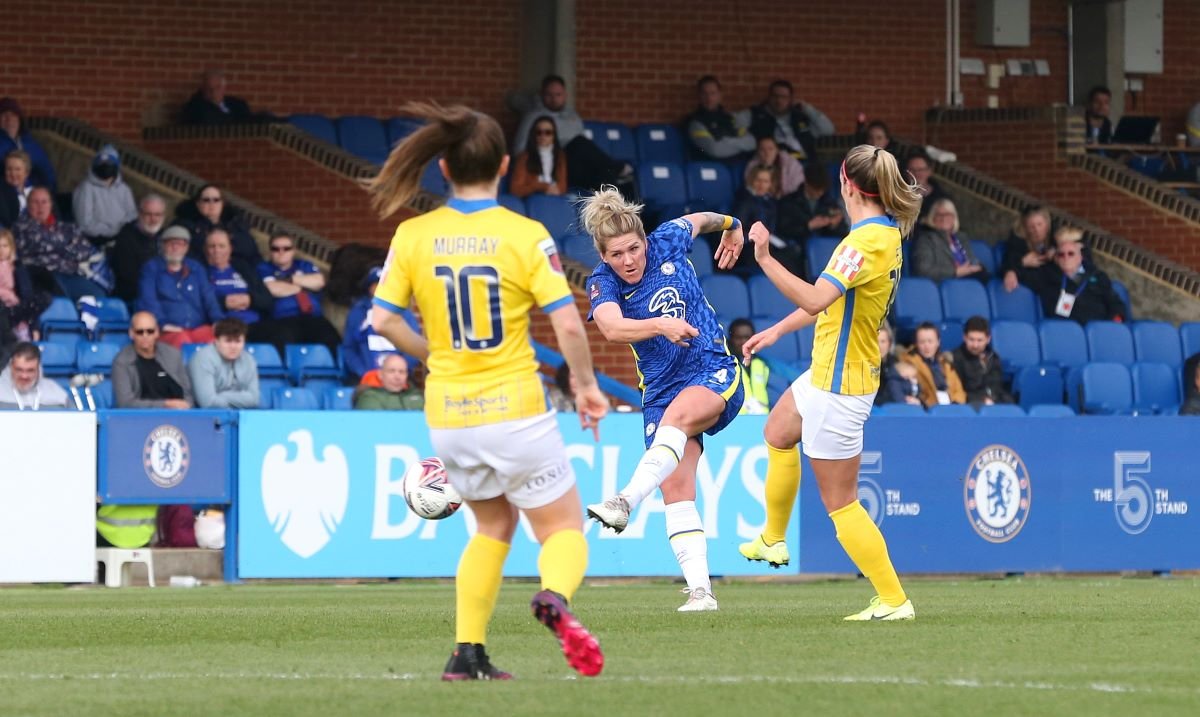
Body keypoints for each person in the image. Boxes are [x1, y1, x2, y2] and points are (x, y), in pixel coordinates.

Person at [365, 101, 608, 680]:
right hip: (516, 407)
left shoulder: (413, 234)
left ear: (443, 170)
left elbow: (383, 322)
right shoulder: (523, 235)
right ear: (504, 166)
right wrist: (587, 385)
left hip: (449, 415)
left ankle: (466, 652)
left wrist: (438, 355)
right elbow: (570, 324)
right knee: (562, 529)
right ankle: (555, 597)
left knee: (492, 527)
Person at [736, 144, 920, 621]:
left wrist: (764, 258)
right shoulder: (882, 234)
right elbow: (830, 301)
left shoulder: (863, 243)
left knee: (841, 504)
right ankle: (773, 537)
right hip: (827, 374)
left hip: (840, 386)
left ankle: (894, 599)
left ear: (847, 185)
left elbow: (818, 298)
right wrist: (778, 330)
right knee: (777, 432)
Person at [580, 188, 746, 612]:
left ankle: (624, 501)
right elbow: (612, 329)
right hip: (659, 391)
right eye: (616, 254)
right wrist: (661, 325)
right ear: (604, 256)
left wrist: (734, 227)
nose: (628, 260)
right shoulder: (602, 282)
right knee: (675, 488)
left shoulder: (669, 238)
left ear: (645, 241)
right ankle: (701, 592)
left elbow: (705, 218)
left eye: (634, 248)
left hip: (711, 368)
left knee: (678, 418)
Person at [512, 75, 632, 193]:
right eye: (549, 95)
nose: (554, 99)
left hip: (575, 167)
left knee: (603, 174)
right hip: (552, 165)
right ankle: (615, 168)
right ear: (542, 95)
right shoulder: (533, 117)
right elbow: (519, 150)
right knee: (580, 144)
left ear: (565, 95)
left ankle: (618, 205)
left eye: (558, 95)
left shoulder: (573, 117)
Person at [12, 187, 107, 301]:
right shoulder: (20, 227)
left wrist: (54, 247)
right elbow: (37, 245)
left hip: (71, 274)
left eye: (44, 202)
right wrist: (68, 246)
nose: (40, 206)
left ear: (51, 204)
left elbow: (84, 251)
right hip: (43, 276)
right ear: (28, 205)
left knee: (98, 296)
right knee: (63, 301)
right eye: (35, 202)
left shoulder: (67, 227)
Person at [137, 225, 224, 348]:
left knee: (219, 339)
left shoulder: (196, 268)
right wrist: (162, 323)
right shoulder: (151, 268)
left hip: (197, 328)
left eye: (180, 244)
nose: (175, 247)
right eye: (170, 243)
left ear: (186, 248)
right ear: (162, 245)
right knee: (183, 341)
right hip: (167, 330)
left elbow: (209, 298)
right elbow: (148, 300)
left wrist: (218, 320)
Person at [257, 232, 341, 354]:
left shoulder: (304, 265)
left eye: (286, 248)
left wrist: (290, 280)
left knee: (332, 340)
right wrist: (301, 287)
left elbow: (319, 281)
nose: (281, 252)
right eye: (276, 249)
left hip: (313, 317)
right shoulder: (264, 268)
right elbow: (271, 288)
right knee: (285, 340)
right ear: (270, 251)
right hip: (283, 319)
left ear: (294, 251)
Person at [1031, 226, 1127, 325]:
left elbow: (1116, 306)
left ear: (1080, 254)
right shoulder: (1046, 275)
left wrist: (1113, 324)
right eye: (1061, 253)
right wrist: (1022, 263)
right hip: (1064, 331)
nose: (1066, 257)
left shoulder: (1097, 276)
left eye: (1071, 253)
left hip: (1098, 331)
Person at [342, 266, 419, 384]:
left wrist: (398, 373)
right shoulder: (358, 312)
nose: (382, 288)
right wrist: (363, 373)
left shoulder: (404, 314)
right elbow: (349, 348)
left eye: (386, 283)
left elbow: (413, 348)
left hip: (399, 382)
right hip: (366, 381)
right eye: (377, 283)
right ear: (370, 288)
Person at [112, 312, 193, 409]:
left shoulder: (173, 355)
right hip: (139, 419)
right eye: (139, 332)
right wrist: (165, 404)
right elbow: (125, 403)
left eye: (150, 331)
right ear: (131, 333)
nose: (145, 335)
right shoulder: (122, 362)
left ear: (157, 332)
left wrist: (187, 407)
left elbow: (187, 393)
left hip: (176, 417)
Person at [748, 80, 835, 163]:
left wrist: (806, 108)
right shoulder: (759, 116)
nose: (779, 100)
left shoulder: (800, 117)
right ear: (769, 97)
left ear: (791, 99)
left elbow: (828, 130)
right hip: (776, 164)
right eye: (775, 96)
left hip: (804, 162)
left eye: (784, 97)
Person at [175, 184, 262, 265]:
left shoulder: (238, 227)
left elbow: (254, 256)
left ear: (222, 203)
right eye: (206, 200)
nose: (211, 204)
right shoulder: (184, 227)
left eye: (216, 200)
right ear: (198, 204)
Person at [71, 144, 137, 247]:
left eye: (109, 163)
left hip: (123, 238)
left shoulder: (124, 189)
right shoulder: (86, 188)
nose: (105, 166)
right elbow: (85, 224)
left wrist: (122, 230)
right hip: (96, 241)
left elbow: (132, 215)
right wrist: (112, 231)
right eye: (102, 163)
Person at [187, 317, 260, 409]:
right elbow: (207, 402)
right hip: (203, 417)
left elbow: (254, 399)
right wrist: (239, 401)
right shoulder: (202, 359)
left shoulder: (249, 359)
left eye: (238, 341)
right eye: (228, 341)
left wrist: (222, 396)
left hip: (241, 416)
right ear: (216, 341)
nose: (233, 346)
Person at [911, 198, 988, 282]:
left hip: (967, 280)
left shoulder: (961, 237)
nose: (943, 218)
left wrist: (977, 267)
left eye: (948, 214)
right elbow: (923, 270)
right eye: (939, 215)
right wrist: (955, 271)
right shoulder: (925, 239)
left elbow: (972, 259)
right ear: (932, 218)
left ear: (954, 217)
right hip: (944, 284)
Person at [112, 194, 168, 306]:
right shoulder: (126, 237)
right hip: (134, 297)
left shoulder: (167, 236)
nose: (153, 219)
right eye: (148, 214)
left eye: (158, 214)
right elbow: (129, 277)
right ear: (139, 214)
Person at [685, 75, 755, 162]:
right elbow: (715, 150)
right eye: (705, 94)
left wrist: (727, 141)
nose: (709, 98)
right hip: (709, 166)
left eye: (713, 93)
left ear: (719, 95)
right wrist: (740, 146)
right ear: (699, 96)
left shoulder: (731, 118)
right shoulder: (694, 122)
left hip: (737, 167)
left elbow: (752, 143)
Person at [899, 322, 967, 408]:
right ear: (916, 343)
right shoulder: (908, 363)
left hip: (952, 409)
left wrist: (956, 405)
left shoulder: (946, 363)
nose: (926, 346)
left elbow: (958, 390)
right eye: (922, 342)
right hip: (927, 410)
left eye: (930, 341)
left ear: (938, 342)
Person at [0, 228, 49, 345]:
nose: (1, 250)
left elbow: (27, 295)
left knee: (44, 298)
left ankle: (24, 336)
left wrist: (34, 327)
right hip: (2, 312)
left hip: (17, 311)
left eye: (5, 246)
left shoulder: (18, 268)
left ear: (11, 248)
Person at [951, 316, 1013, 407]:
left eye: (979, 340)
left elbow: (997, 386)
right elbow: (958, 392)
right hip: (969, 406)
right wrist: (983, 400)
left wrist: (992, 399)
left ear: (988, 339)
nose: (975, 345)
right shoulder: (955, 358)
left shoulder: (994, 357)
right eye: (971, 339)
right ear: (964, 337)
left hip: (994, 402)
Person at [180, 69, 274, 126]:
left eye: (217, 87)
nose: (213, 92)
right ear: (202, 88)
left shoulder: (236, 104)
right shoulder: (197, 107)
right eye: (209, 88)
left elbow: (247, 119)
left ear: (224, 88)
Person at [0, 97, 56, 190]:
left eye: (13, 115)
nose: (9, 119)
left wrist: (49, 196)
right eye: (4, 115)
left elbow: (47, 173)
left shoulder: (31, 144)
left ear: (20, 120)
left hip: (31, 195)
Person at [1000, 205, 1055, 292]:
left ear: (1047, 225)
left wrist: (1057, 255)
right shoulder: (1018, 243)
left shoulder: (1057, 240)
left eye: (1039, 224)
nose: (1036, 230)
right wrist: (1022, 262)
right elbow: (1007, 266)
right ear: (1025, 228)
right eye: (1031, 227)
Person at [510, 116, 567, 198]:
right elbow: (515, 190)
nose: (543, 136)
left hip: (555, 197)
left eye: (548, 132)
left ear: (554, 135)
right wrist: (542, 187)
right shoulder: (524, 157)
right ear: (534, 135)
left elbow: (563, 187)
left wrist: (555, 190)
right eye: (539, 132)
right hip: (532, 198)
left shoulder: (560, 156)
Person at [0, 342, 69, 410]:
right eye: (19, 370)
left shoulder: (57, 393)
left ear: (38, 369)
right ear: (10, 367)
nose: (24, 376)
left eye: (30, 370)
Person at [353, 354, 424, 410]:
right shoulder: (369, 397)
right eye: (391, 371)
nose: (397, 377)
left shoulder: (417, 396)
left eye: (401, 372)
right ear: (380, 374)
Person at [728, 318, 769, 415]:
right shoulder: (725, 365)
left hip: (762, 421)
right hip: (737, 421)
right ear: (731, 339)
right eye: (738, 337)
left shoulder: (762, 365)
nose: (743, 341)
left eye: (747, 337)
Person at [875, 324, 921, 407]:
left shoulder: (897, 363)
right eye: (876, 341)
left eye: (883, 341)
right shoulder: (864, 365)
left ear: (889, 343)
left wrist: (912, 399)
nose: (880, 346)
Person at [905, 150, 948, 218]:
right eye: (912, 170)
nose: (916, 173)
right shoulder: (897, 194)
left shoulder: (941, 198)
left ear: (929, 171)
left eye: (921, 169)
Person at [1, 150, 34, 228]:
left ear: (26, 172)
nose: (13, 173)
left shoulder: (36, 190)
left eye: (17, 169)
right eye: (9, 169)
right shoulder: (2, 193)